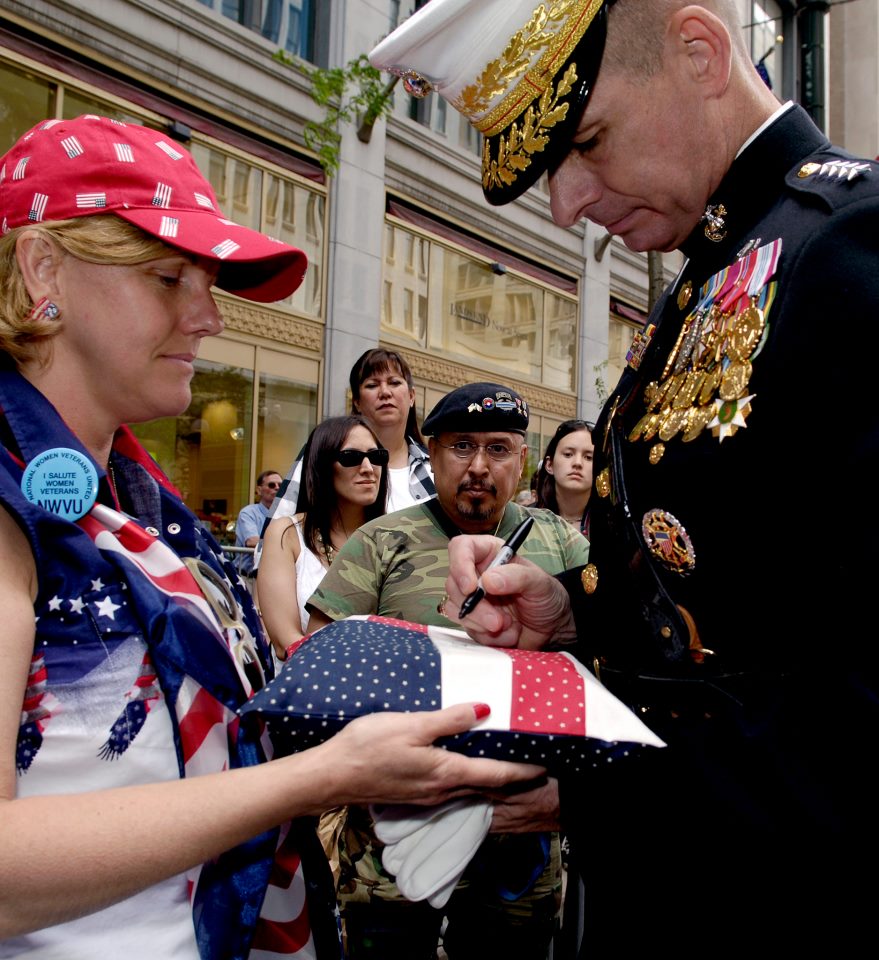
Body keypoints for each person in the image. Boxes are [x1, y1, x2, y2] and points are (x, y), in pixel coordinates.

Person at [370, 0, 879, 953]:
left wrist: (605, 784)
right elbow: (740, 591)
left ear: (699, 51)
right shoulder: (712, 268)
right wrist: (570, 609)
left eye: (589, 140)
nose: (565, 205)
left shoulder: (849, 245)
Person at [0, 115, 545, 959]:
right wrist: (321, 778)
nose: (206, 316)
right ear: (42, 268)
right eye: (167, 276)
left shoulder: (149, 511)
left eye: (206, 281)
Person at [307, 382, 589, 960]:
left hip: (523, 828)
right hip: (397, 827)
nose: (479, 467)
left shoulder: (562, 545)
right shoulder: (381, 542)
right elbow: (319, 666)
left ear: (523, 458)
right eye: (461, 447)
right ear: (430, 455)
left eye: (499, 449)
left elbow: (602, 666)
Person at [258, 416, 388, 662]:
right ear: (322, 465)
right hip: (304, 685)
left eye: (377, 456)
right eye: (351, 457)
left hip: (380, 688)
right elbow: (285, 642)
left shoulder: (393, 539)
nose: (369, 468)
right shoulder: (286, 534)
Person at [269, 348, 435, 525]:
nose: (385, 392)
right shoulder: (323, 454)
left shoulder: (434, 466)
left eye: (394, 382)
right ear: (357, 402)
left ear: (411, 396)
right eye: (372, 385)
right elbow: (273, 538)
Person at [535, 421, 594, 539]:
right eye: (568, 454)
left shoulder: (614, 527)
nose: (577, 463)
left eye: (588, 457)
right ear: (549, 465)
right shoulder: (527, 520)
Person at [234, 468, 282, 576]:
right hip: (248, 577)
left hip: (273, 577)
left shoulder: (287, 515)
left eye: (280, 485)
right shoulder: (248, 513)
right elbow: (252, 541)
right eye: (271, 485)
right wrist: (286, 546)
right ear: (259, 490)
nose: (277, 488)